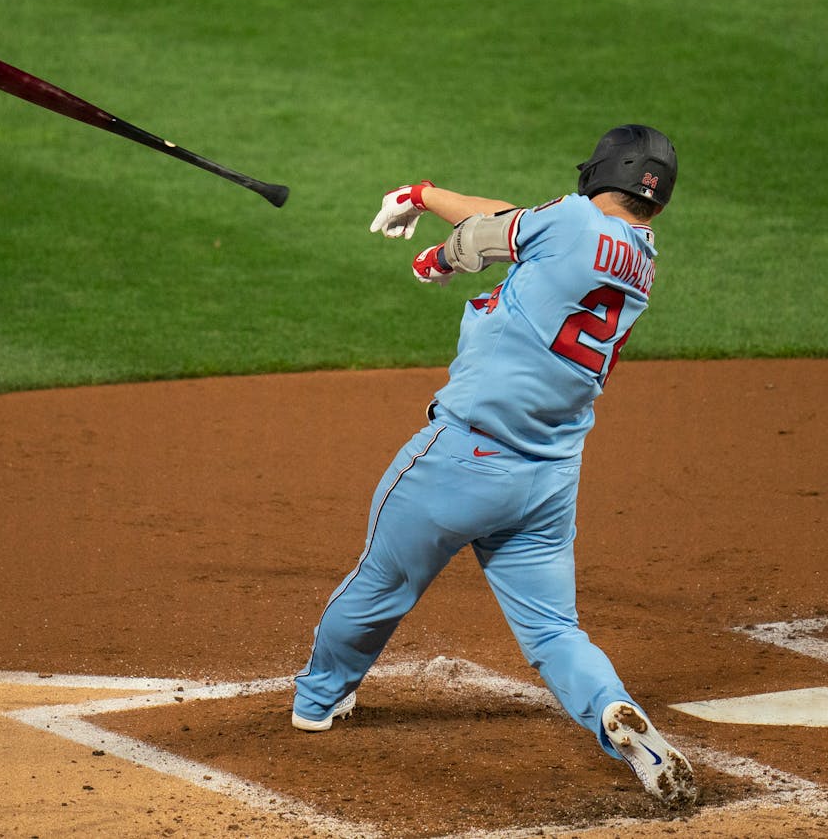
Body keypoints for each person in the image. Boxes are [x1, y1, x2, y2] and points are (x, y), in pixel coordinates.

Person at [290, 125, 698, 806]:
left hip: (459, 459)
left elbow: (488, 237)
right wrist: (425, 194)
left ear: (599, 172)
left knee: (381, 582)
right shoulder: (640, 259)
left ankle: (320, 697)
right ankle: (611, 710)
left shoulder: (566, 222)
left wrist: (438, 261)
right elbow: (514, 223)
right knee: (554, 631)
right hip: (546, 479)